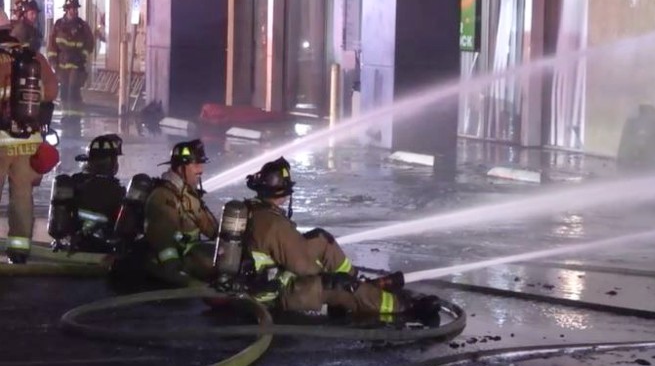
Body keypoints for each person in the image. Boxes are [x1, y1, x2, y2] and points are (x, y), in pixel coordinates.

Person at [237, 157, 439, 322]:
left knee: (321, 240)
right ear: (283, 193)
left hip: (264, 280)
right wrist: (335, 280)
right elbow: (303, 267)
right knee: (341, 286)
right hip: (276, 294)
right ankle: (403, 307)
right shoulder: (275, 224)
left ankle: (361, 283)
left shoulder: (253, 210)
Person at [0, 29, 58, 263]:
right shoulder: (33, 58)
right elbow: (52, 91)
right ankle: (19, 249)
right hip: (28, 141)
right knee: (23, 196)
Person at [141, 139, 219, 285]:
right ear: (180, 167)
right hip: (169, 265)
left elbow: (212, 230)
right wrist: (176, 272)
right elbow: (162, 241)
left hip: (188, 256)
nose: (201, 170)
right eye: (196, 164)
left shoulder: (189, 195)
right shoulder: (163, 196)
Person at [47, 134, 126, 254]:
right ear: (113, 163)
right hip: (104, 248)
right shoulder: (118, 191)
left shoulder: (74, 182)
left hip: (72, 244)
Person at [47, 0, 94, 114]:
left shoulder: (82, 26)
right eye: (71, 9)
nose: (74, 11)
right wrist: (53, 62)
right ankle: (66, 116)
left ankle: (74, 119)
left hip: (77, 65)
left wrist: (82, 56)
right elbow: (52, 45)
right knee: (64, 92)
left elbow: (90, 43)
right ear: (66, 10)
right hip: (61, 67)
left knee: (74, 92)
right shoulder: (58, 25)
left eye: (75, 9)